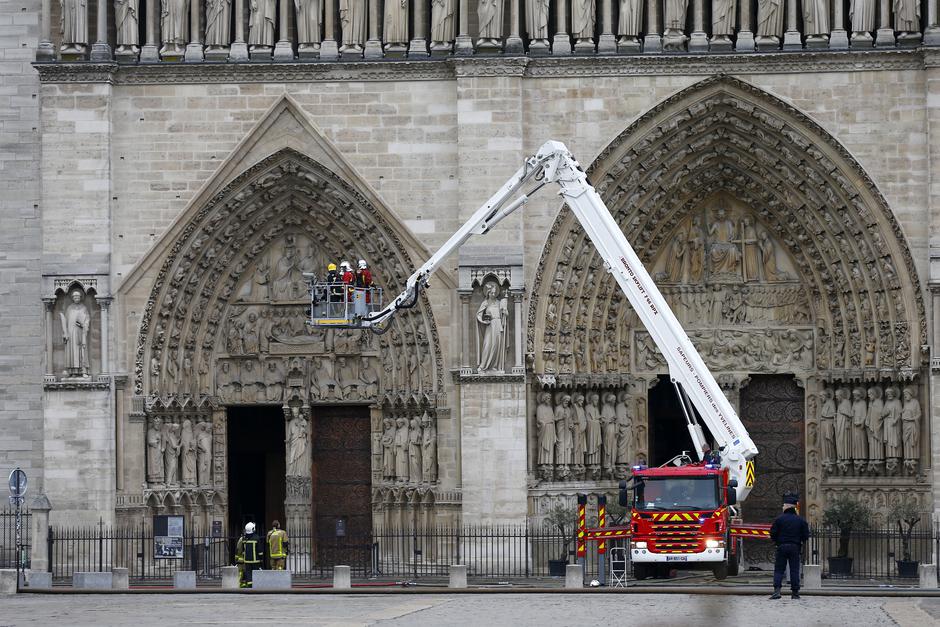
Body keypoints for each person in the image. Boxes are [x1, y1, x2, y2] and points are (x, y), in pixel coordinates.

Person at [769, 493, 810, 600]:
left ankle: (777, 591)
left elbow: (773, 533)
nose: (782, 507)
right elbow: (806, 535)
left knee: (779, 569)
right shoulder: (801, 520)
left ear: (787, 506)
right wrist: (800, 541)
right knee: (794, 570)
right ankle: (795, 593)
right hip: (795, 547)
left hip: (782, 546)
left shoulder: (779, 519)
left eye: (783, 505)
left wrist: (777, 541)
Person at [235, 522, 263, 587]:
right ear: (253, 529)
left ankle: (250, 585)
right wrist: (261, 559)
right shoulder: (256, 537)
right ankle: (256, 585)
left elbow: (240, 549)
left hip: (246, 560)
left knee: (248, 573)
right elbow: (260, 550)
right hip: (255, 560)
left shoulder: (244, 538)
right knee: (255, 573)